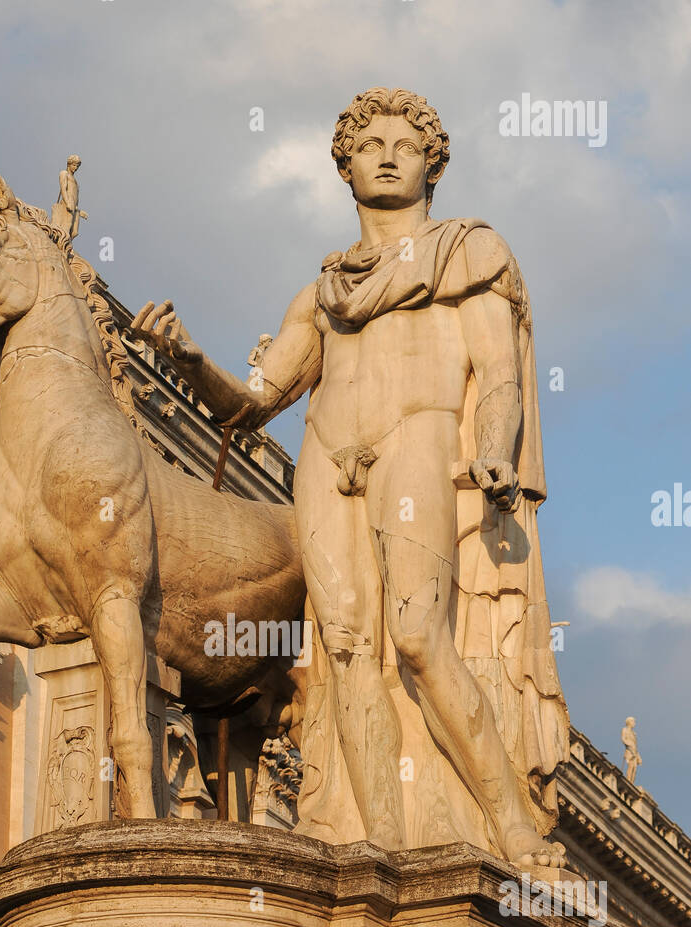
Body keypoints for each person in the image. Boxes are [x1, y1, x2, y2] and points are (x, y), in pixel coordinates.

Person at [133, 87, 569, 868]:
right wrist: (189, 357)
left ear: (432, 163)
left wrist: (497, 447)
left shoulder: (466, 254)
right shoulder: (323, 293)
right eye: (371, 146)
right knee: (344, 650)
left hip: (419, 441)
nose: (389, 157)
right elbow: (255, 402)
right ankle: (376, 845)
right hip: (327, 459)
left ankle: (511, 832)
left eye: (406, 146)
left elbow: (498, 373)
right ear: (345, 167)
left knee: (416, 637)